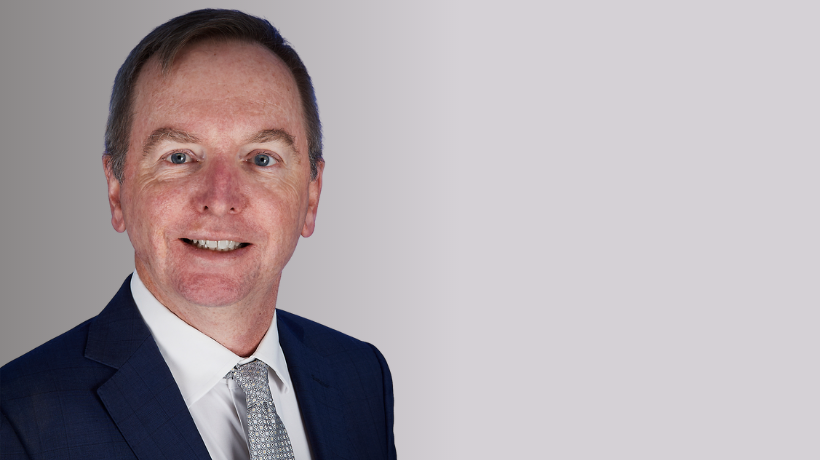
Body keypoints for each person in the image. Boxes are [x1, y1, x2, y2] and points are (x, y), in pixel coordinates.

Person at [0, 9, 396, 460]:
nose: (220, 196)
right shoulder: (18, 418)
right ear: (116, 190)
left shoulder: (360, 377)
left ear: (311, 196)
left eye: (262, 159)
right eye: (179, 157)